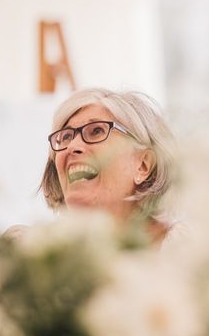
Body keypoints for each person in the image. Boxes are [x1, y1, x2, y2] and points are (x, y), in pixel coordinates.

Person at [38, 88, 176, 245]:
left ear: (143, 165)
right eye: (66, 136)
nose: (72, 146)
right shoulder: (35, 252)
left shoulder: (186, 251)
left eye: (96, 131)